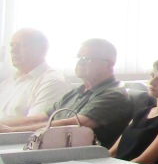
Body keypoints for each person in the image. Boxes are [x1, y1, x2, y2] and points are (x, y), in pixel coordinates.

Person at [0, 38, 132, 148]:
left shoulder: (113, 94)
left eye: (88, 59)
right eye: (79, 57)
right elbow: (41, 118)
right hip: (54, 149)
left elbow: (75, 124)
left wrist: (11, 131)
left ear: (108, 65)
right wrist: (5, 126)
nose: (80, 62)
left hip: (82, 157)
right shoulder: (77, 92)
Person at [0, 28, 70, 121]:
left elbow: (34, 124)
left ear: (42, 49)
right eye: (12, 45)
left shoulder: (53, 82)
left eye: (22, 45)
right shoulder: (9, 82)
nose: (13, 50)